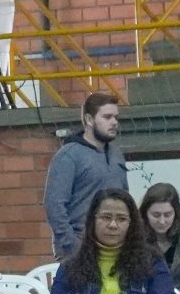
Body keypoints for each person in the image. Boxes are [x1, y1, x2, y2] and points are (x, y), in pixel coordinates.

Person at [46, 188, 176, 294]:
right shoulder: (70, 267)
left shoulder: (153, 262)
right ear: (93, 220)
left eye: (121, 219)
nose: (113, 225)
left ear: (131, 224)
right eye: (106, 217)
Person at [42, 92, 128, 258]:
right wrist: (73, 246)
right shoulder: (68, 155)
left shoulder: (116, 154)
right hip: (78, 250)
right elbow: (54, 206)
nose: (114, 122)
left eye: (116, 117)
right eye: (107, 117)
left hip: (115, 248)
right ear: (89, 120)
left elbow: (125, 201)